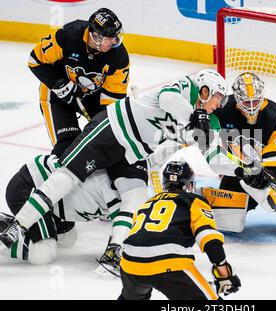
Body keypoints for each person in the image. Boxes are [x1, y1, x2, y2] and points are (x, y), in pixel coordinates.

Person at [0, 69, 227, 259]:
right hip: (113, 128)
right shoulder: (187, 86)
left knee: (136, 194)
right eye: (219, 97)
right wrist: (194, 116)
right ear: (205, 90)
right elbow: (167, 99)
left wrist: (243, 170)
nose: (219, 105)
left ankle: (115, 250)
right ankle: (18, 226)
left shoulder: (202, 123)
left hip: (133, 153)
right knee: (69, 175)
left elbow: (213, 155)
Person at [118, 161, 241, 300]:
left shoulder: (148, 202)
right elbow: (209, 239)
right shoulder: (194, 200)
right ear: (189, 184)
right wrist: (224, 272)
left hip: (129, 262)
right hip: (168, 263)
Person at [0, 154, 147, 269]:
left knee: (68, 239)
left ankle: (18, 229)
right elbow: (125, 239)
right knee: (43, 253)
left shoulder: (128, 189)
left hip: (55, 201)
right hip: (31, 187)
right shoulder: (124, 193)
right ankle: (3, 229)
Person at [28, 8, 129, 156]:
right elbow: (35, 61)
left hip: (94, 98)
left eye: (116, 36)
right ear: (95, 36)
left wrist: (102, 126)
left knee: (106, 146)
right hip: (57, 96)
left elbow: (112, 99)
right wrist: (60, 85)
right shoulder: (67, 37)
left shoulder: (119, 57)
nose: (115, 41)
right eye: (110, 38)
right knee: (67, 149)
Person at [214, 72, 276, 217]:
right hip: (244, 172)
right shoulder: (221, 109)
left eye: (256, 100)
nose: (252, 107)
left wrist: (269, 177)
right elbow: (201, 134)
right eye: (247, 102)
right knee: (225, 210)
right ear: (236, 97)